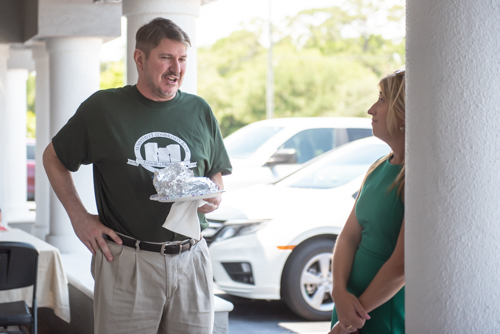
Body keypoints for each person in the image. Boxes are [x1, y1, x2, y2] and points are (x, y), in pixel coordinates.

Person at [43, 18, 232, 334]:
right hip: (128, 261)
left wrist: (214, 195)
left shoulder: (199, 110)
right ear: (140, 59)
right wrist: (79, 217)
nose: (176, 68)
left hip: (192, 259)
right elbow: (53, 157)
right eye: (166, 58)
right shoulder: (103, 108)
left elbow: (216, 172)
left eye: (182, 59)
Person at [329, 69, 406, 334]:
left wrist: (352, 318)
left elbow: (402, 264)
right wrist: (338, 291)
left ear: (404, 112)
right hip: (347, 309)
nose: (371, 109)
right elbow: (349, 236)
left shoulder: (417, 178)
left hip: (378, 314)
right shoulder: (377, 167)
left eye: (382, 99)